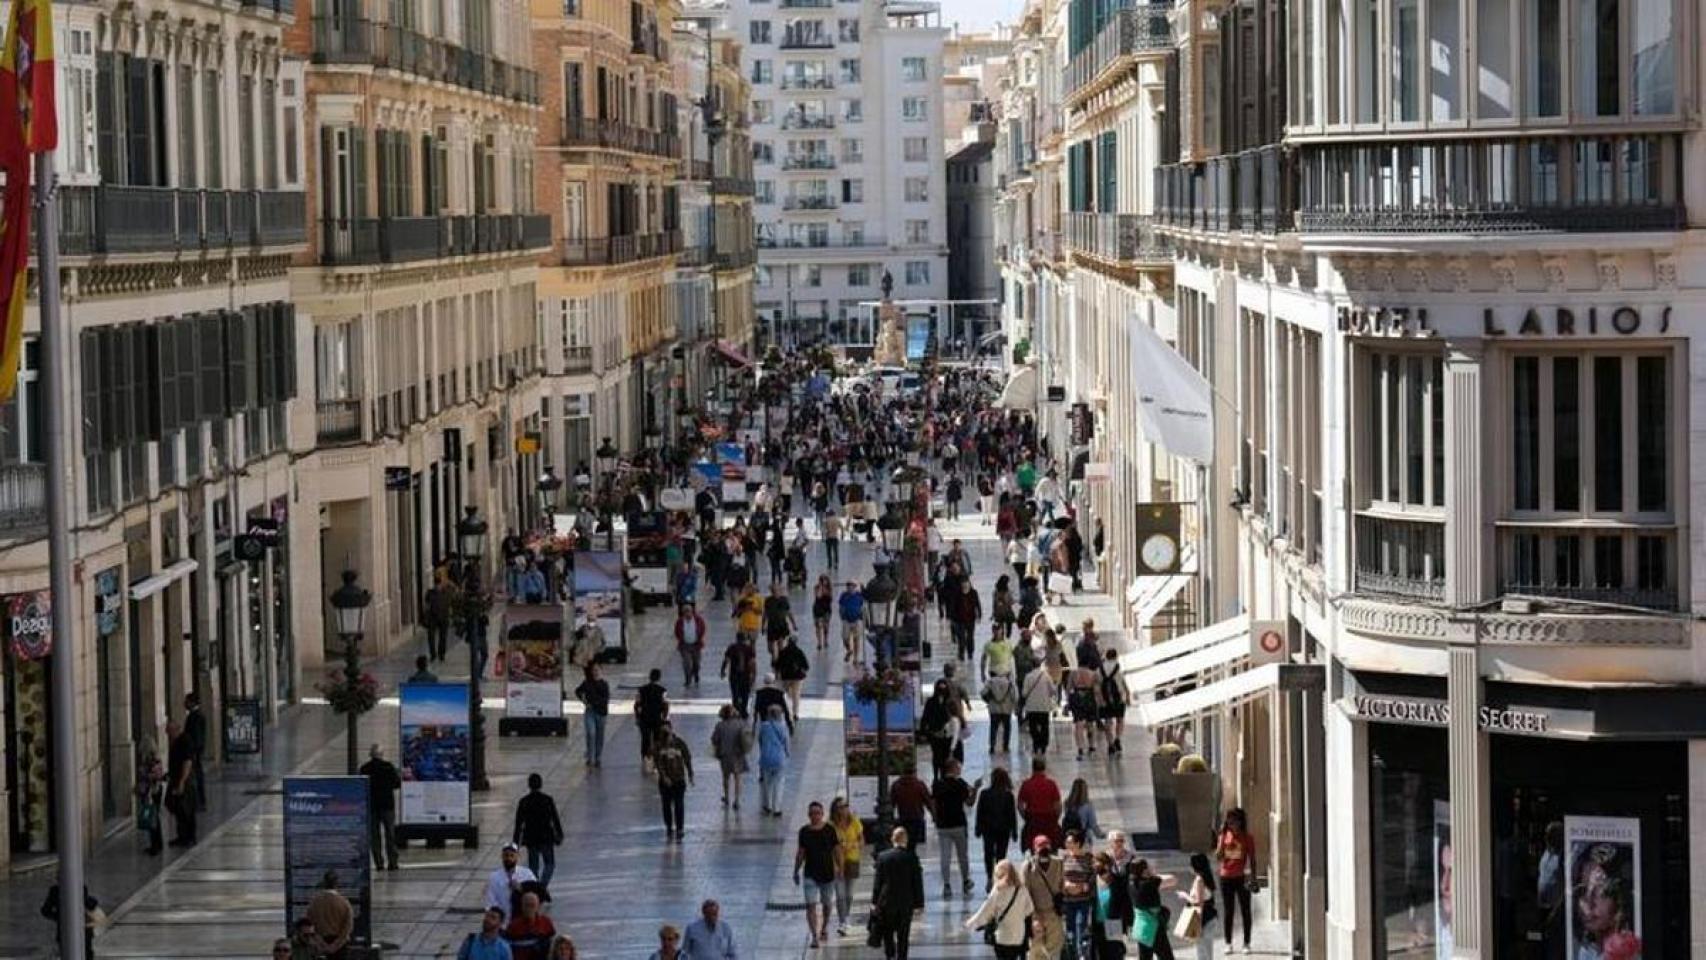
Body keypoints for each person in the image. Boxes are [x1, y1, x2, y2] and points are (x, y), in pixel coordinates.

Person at [794, 800, 843, 947]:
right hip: (810, 874)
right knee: (810, 905)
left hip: (828, 874)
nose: (815, 816)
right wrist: (796, 870)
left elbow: (836, 850)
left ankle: (824, 927)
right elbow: (801, 853)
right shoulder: (804, 831)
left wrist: (840, 868)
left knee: (827, 904)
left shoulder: (829, 830)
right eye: (812, 813)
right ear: (808, 815)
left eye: (818, 813)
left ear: (822, 814)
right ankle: (814, 936)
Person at [872, 827, 925, 960]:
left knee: (888, 931)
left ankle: (890, 954)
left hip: (887, 901)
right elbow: (917, 882)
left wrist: (874, 901)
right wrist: (919, 904)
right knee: (903, 934)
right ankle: (902, 956)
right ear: (905, 839)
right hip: (905, 902)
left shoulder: (883, 857)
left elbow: (878, 882)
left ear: (892, 839)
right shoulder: (912, 857)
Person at [966, 860, 1036, 960]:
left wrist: (972, 923)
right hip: (1018, 936)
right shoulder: (1022, 889)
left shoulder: (998, 890)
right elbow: (1029, 909)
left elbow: (986, 910)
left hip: (1003, 936)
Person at [931, 759, 980, 898]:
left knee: (945, 856)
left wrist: (935, 818)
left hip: (943, 825)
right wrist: (976, 789)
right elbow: (970, 803)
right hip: (958, 824)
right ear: (952, 769)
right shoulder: (960, 784)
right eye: (958, 767)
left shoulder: (937, 785)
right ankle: (965, 881)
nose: (960, 769)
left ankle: (946, 885)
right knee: (962, 855)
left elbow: (933, 803)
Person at [511, 773, 565, 887]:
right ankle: (543, 885)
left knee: (533, 866)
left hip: (531, 838)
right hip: (546, 837)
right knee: (549, 864)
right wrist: (559, 834)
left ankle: (536, 886)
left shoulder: (524, 801)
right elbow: (555, 819)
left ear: (529, 785)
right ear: (541, 784)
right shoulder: (547, 800)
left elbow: (519, 824)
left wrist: (516, 842)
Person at [1214, 809, 1256, 954]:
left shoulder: (1247, 837)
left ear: (1241, 822)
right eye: (1230, 822)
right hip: (1226, 877)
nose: (1232, 825)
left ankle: (1247, 943)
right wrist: (1221, 840)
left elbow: (1252, 859)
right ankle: (1228, 942)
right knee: (1229, 911)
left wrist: (1254, 878)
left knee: (1246, 911)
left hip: (1242, 877)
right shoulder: (1224, 835)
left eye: (1235, 821)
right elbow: (1218, 857)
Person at [975, 766, 1019, 889]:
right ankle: (999, 877)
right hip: (1003, 829)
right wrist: (1014, 831)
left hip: (988, 829)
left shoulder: (984, 794)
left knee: (988, 853)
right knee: (1001, 854)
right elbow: (1012, 815)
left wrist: (978, 828)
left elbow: (980, 812)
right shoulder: (1008, 795)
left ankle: (989, 876)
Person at [1021, 837, 1066, 960]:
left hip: (1054, 913)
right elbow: (1026, 893)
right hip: (1037, 914)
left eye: (1046, 849)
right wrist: (1033, 917)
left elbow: (1063, 886)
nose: (1044, 853)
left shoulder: (1059, 863)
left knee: (1054, 949)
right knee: (1036, 951)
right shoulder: (1028, 867)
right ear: (1035, 850)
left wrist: (1061, 904)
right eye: (1041, 850)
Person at [360, 744, 402, 871]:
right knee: (390, 834)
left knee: (375, 836)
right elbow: (397, 784)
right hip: (387, 805)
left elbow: (361, 787)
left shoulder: (365, 768)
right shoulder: (388, 767)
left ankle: (379, 862)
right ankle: (393, 862)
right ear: (381, 754)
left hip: (372, 806)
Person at [653, 721, 695, 839]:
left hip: (679, 778)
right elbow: (658, 763)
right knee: (666, 805)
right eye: (663, 731)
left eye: (667, 730)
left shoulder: (679, 743)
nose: (666, 733)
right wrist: (664, 777)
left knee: (679, 804)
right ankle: (669, 826)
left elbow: (687, 758)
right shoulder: (658, 746)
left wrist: (690, 773)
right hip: (665, 782)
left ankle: (680, 828)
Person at [1130, 859, 1179, 960]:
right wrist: (1153, 874)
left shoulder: (1131, 884)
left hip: (1140, 928)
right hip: (1154, 928)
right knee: (1166, 957)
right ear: (1144, 870)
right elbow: (1173, 879)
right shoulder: (1150, 883)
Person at [830, 797, 865, 936]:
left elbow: (862, 840)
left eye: (846, 806)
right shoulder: (831, 825)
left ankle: (846, 917)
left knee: (849, 894)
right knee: (840, 895)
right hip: (837, 862)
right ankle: (842, 922)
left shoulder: (854, 821)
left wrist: (854, 845)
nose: (844, 809)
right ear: (835, 809)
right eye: (840, 807)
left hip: (852, 860)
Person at [39, 882, 98, 959]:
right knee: (86, 952)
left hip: (65, 930)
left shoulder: (55, 890)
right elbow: (90, 905)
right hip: (82, 929)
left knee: (67, 953)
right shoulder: (80, 888)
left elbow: (45, 910)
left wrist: (60, 917)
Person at [1178, 853, 1218, 960]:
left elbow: (1199, 903)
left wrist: (1185, 896)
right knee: (1205, 950)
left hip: (1204, 919)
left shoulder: (1200, 880)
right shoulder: (1207, 877)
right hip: (1209, 917)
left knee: (1203, 952)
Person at [711, 705, 752, 810]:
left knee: (725, 777)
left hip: (725, 755)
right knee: (737, 777)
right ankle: (737, 800)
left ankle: (727, 797)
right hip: (738, 754)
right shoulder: (741, 724)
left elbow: (714, 739)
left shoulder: (719, 726)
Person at [307, 871, 354, 959]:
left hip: (321, 941)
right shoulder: (343, 902)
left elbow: (309, 924)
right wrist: (336, 944)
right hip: (339, 945)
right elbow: (348, 927)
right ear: (337, 884)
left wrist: (321, 942)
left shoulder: (315, 902)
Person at [1017, 758, 1062, 850]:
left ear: (1032, 768)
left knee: (1033, 847)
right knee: (1051, 846)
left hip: (1033, 820)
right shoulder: (1051, 784)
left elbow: (1020, 805)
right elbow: (1058, 805)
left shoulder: (1026, 784)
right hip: (1049, 819)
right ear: (1044, 768)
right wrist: (1055, 818)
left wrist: (1025, 816)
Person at [166, 720, 198, 847]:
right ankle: (182, 836)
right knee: (179, 809)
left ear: (176, 730)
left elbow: (187, 762)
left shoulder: (185, 741)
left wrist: (182, 782)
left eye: (169, 732)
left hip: (185, 781)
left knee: (186, 810)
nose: (168, 735)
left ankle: (189, 837)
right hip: (176, 779)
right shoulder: (176, 742)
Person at [486, 843, 539, 915]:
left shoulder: (527, 873)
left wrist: (522, 887)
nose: (509, 859)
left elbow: (536, 892)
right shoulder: (494, 876)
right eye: (506, 855)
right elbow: (491, 899)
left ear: (517, 857)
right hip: (502, 917)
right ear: (502, 857)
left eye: (512, 855)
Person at [573, 663, 610, 767]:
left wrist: (596, 702)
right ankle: (590, 756)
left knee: (599, 735)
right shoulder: (587, 683)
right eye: (594, 670)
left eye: (597, 670)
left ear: (601, 671)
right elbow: (578, 691)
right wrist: (584, 701)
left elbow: (606, 699)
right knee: (591, 733)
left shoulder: (604, 684)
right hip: (590, 712)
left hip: (601, 713)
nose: (595, 672)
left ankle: (598, 757)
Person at [503, 891, 557, 960]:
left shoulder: (546, 923)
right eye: (527, 905)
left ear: (538, 906)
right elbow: (507, 949)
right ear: (522, 906)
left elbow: (553, 946)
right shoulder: (513, 925)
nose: (529, 909)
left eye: (532, 905)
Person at [758, 704, 791, 815]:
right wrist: (787, 752)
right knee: (779, 783)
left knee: (767, 783)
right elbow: (786, 742)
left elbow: (760, 740)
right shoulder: (782, 727)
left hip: (765, 758)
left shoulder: (764, 726)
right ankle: (776, 808)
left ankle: (767, 806)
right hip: (779, 758)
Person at [634, 669, 671, 768]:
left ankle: (645, 758)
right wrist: (665, 718)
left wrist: (637, 717)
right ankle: (656, 759)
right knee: (657, 739)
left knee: (645, 739)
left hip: (644, 718)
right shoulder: (662, 690)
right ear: (659, 678)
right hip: (657, 719)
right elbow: (666, 705)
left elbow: (637, 705)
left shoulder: (641, 690)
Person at [889, 767, 932, 852]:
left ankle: (905, 858)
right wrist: (934, 815)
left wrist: (891, 818)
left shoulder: (896, 785)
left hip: (903, 818)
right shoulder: (919, 785)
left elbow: (892, 803)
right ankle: (911, 858)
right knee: (913, 843)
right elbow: (928, 801)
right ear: (914, 772)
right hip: (917, 817)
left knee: (903, 842)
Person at [136, 742, 165, 854]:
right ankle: (157, 843)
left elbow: (155, 776)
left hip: (152, 792)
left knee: (152, 817)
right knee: (154, 817)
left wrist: (145, 781)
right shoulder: (155, 759)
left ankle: (155, 845)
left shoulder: (151, 761)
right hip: (153, 791)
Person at [1100, 648, 1131, 755]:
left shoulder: (1100, 668)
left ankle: (1110, 744)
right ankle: (1117, 738)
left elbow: (1097, 685)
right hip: (1119, 698)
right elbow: (1124, 682)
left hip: (1105, 699)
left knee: (1108, 721)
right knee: (1120, 719)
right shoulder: (1120, 667)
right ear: (1116, 656)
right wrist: (1128, 696)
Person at [1020, 668, 1057, 754]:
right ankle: (1043, 745)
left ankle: (1036, 743)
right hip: (1044, 706)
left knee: (1033, 727)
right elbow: (1053, 691)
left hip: (1031, 707)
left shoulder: (1028, 677)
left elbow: (1024, 693)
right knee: (1044, 726)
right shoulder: (1046, 676)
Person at [721, 634, 759, 718]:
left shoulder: (732, 647)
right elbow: (752, 663)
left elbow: (726, 660)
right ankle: (744, 710)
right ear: (745, 639)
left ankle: (736, 710)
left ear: (737, 639)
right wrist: (754, 675)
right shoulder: (749, 649)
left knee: (735, 693)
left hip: (734, 675)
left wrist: (722, 670)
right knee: (745, 694)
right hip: (745, 675)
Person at [982, 669, 1018, 754]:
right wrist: (1013, 705)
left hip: (994, 709)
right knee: (1007, 728)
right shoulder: (1010, 683)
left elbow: (983, 693)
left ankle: (992, 746)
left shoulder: (990, 682)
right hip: (1006, 709)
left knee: (993, 728)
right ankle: (1005, 746)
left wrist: (988, 700)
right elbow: (1015, 697)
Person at [774, 634, 810, 721]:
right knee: (796, 695)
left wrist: (777, 675)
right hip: (797, 677)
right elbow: (806, 666)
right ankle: (795, 713)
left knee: (784, 694)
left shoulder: (783, 652)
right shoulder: (799, 652)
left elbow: (777, 665)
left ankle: (785, 711)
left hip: (785, 677)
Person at [674, 603, 707, 687]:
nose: (687, 614)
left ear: (692, 612)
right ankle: (688, 679)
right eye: (685, 612)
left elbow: (703, 629)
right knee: (687, 663)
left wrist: (699, 638)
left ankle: (696, 674)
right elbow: (677, 632)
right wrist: (681, 639)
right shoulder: (680, 621)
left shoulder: (698, 620)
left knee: (697, 663)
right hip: (685, 646)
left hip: (696, 645)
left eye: (689, 611)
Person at [764, 581, 797, 660]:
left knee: (780, 644)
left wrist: (794, 624)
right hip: (771, 625)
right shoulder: (768, 600)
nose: (776, 592)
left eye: (777, 590)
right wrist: (763, 624)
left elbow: (789, 613)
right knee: (770, 648)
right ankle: (775, 656)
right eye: (774, 590)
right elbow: (765, 613)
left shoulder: (784, 600)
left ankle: (779, 660)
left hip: (781, 624)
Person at [423, 581, 452, 663]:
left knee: (443, 637)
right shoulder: (431, 593)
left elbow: (449, 605)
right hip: (433, 617)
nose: (439, 586)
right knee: (431, 637)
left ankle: (441, 654)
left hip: (443, 617)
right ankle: (433, 654)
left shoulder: (446, 592)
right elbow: (427, 606)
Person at [838, 581, 866, 662]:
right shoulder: (844, 595)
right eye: (848, 586)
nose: (849, 587)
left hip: (856, 620)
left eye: (851, 586)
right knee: (845, 638)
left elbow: (863, 604)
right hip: (846, 620)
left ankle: (855, 658)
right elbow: (841, 606)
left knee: (856, 639)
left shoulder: (859, 596)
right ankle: (849, 650)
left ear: (854, 587)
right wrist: (842, 616)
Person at [812, 574, 834, 650]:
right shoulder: (816, 587)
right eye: (821, 580)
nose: (823, 582)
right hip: (817, 609)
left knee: (826, 626)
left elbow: (830, 597)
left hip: (826, 609)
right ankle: (819, 642)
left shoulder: (829, 588)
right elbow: (818, 596)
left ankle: (825, 640)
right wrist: (821, 587)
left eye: (824, 580)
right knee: (818, 626)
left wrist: (825, 589)